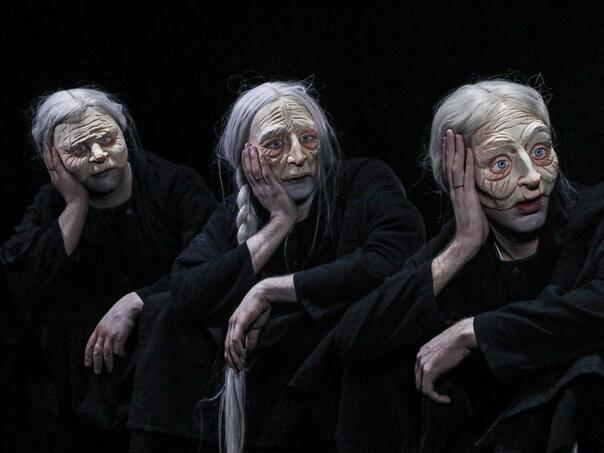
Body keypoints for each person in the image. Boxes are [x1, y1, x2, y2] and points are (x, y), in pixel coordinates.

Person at [126, 80, 425, 452]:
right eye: (275, 144)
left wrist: (271, 290)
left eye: (308, 139)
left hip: (334, 377)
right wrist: (279, 223)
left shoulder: (361, 180)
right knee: (163, 315)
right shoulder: (234, 213)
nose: (298, 157)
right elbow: (185, 291)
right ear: (246, 156)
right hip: (267, 383)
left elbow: (392, 254)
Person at [314, 78, 600, 452]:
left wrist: (474, 332)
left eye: (541, 151)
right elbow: (354, 339)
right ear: (457, 175)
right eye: (500, 163)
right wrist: (463, 246)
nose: (532, 177)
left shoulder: (594, 214)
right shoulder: (455, 247)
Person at [0, 87, 216, 453]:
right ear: (53, 158)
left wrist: (137, 301)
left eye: (107, 139)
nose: (100, 156)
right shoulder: (51, 203)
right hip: (81, 384)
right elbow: (26, 285)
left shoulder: (174, 185)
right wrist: (75, 203)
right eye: (80, 149)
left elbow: (211, 267)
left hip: (163, 370)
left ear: (123, 131)